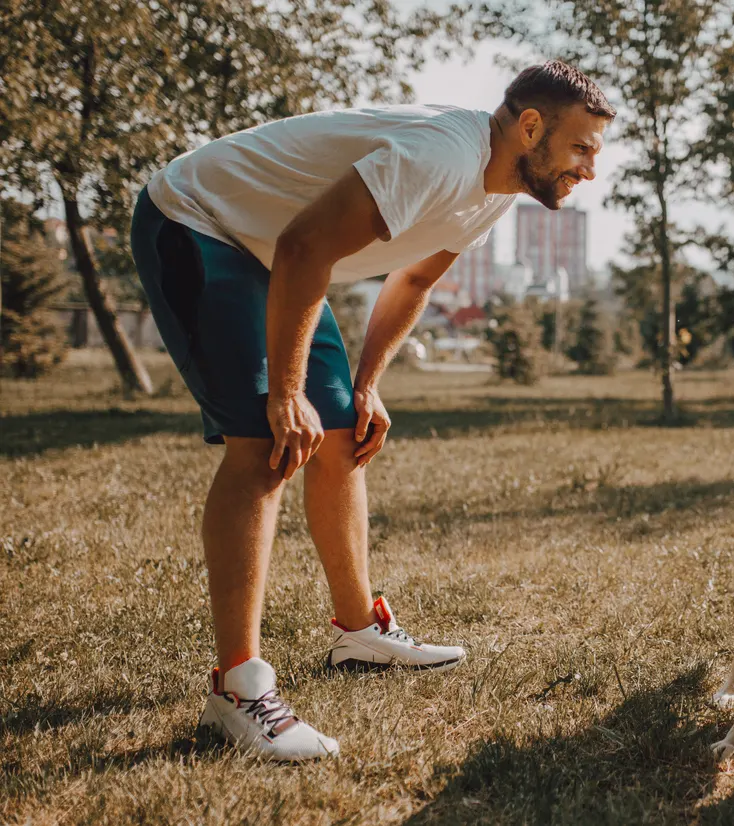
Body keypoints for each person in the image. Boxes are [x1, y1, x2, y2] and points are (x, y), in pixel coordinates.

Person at [129, 61, 615, 761]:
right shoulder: (443, 156)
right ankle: (237, 688)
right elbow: (305, 245)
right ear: (530, 126)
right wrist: (285, 393)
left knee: (341, 436)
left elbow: (413, 277)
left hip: (278, 252)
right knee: (267, 445)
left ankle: (359, 634)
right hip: (202, 221)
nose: (588, 171)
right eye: (580, 149)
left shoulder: (496, 189)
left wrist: (363, 385)